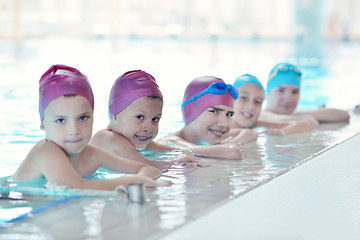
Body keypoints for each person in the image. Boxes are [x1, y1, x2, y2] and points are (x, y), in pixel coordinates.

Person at [13, 65, 169, 190]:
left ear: (93, 118)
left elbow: (149, 169)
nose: (74, 130)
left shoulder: (91, 155)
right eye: (61, 120)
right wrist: (134, 181)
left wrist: (140, 179)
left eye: (83, 118)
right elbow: (76, 187)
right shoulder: (45, 151)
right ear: (42, 123)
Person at [91, 70, 200, 169]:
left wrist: (184, 153)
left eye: (155, 119)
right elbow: (148, 167)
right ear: (115, 113)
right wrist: (177, 161)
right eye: (140, 117)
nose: (149, 128)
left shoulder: (132, 139)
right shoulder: (108, 138)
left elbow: (164, 149)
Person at [159, 76, 257, 160]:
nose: (224, 124)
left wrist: (232, 142)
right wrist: (223, 147)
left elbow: (250, 133)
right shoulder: (170, 142)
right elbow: (233, 152)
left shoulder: (207, 134)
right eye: (214, 111)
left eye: (229, 115)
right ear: (190, 111)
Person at [260, 62, 350, 125]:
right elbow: (279, 120)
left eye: (295, 92)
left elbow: (343, 115)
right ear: (267, 92)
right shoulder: (260, 115)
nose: (288, 99)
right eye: (281, 90)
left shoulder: (294, 113)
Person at [230, 73, 318, 135]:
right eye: (243, 98)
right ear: (230, 100)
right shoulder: (221, 126)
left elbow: (307, 123)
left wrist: (282, 132)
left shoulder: (257, 124)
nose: (250, 107)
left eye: (257, 102)